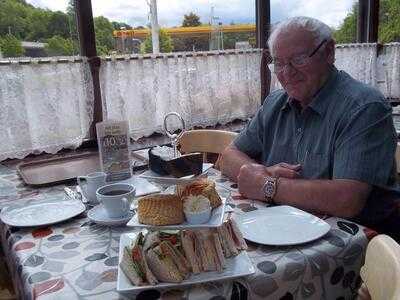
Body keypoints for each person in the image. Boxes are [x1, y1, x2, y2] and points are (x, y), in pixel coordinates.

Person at [220, 16, 400, 241]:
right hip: (284, 229)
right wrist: (259, 172)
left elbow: (347, 200)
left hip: (358, 247)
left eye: (299, 59)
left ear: (329, 52)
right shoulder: (275, 102)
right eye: (279, 63)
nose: (287, 72)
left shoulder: (364, 108)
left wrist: (268, 186)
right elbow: (228, 156)